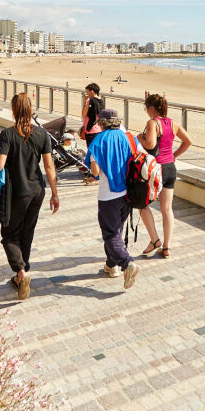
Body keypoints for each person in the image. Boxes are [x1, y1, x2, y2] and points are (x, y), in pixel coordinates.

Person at [0, 93, 59, 300]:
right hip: (37, 190)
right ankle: (21, 275)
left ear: (14, 110)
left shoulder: (7, 134)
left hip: (17, 193)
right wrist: (55, 194)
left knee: (9, 234)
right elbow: (49, 167)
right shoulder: (42, 134)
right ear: (30, 109)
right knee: (27, 232)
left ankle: (21, 272)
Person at [84, 109, 140, 289]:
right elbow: (140, 156)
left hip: (108, 196)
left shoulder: (99, 141)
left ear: (102, 123)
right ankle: (111, 265)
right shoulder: (129, 137)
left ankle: (127, 263)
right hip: (128, 193)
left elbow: (94, 172)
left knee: (110, 233)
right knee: (116, 230)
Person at [136, 93, 192, 259]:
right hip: (170, 168)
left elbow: (151, 144)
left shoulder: (153, 123)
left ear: (151, 108)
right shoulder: (172, 123)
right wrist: (174, 155)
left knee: (142, 203)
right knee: (167, 209)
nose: (146, 110)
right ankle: (166, 246)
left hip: (156, 169)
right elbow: (188, 141)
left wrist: (140, 138)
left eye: (146, 107)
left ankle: (155, 240)